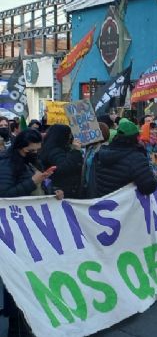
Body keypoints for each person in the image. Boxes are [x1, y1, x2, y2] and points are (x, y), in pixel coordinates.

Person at [0, 129, 64, 337]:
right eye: (31, 150)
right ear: (20, 147)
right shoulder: (6, 164)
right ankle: (17, 326)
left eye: (37, 150)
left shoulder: (29, 162)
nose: (35, 153)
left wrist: (52, 191)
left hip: (33, 228)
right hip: (16, 231)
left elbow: (40, 185)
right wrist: (33, 182)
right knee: (18, 279)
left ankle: (30, 322)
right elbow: (4, 195)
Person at [88, 118, 157, 199]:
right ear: (135, 138)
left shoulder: (101, 153)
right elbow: (148, 187)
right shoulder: (136, 158)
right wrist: (154, 176)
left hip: (104, 203)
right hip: (125, 204)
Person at [38, 124, 84, 199]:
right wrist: (75, 151)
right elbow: (64, 167)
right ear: (62, 136)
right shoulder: (55, 151)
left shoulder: (50, 147)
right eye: (69, 135)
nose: (70, 138)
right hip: (61, 191)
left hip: (61, 189)